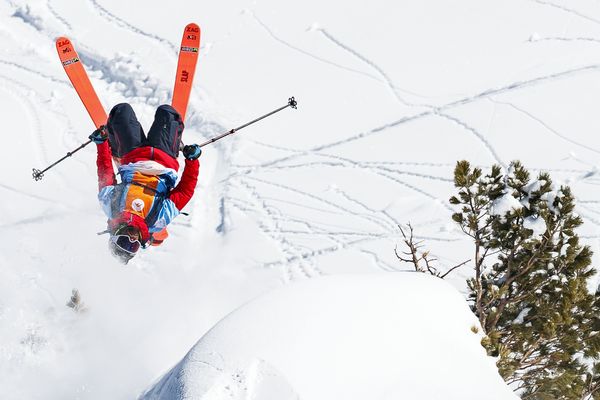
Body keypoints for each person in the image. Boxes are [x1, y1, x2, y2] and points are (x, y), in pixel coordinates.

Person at [89, 103, 202, 264]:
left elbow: (105, 174)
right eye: (133, 246)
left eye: (124, 242)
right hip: (165, 161)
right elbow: (185, 192)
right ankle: (174, 139)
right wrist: (192, 161)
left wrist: (102, 144)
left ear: (115, 236)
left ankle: (114, 145)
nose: (132, 240)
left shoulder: (111, 207)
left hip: (132, 157)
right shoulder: (157, 220)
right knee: (168, 113)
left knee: (120, 111)